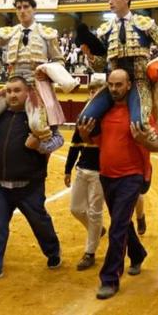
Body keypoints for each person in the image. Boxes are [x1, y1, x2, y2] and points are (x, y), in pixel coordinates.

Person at [76, 69, 158, 300]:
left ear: (129, 85)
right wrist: (84, 136)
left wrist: (145, 140)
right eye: (111, 85)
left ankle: (110, 279)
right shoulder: (104, 112)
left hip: (130, 176)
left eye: (119, 84)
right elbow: (95, 142)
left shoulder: (140, 112)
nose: (114, 89)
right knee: (120, 224)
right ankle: (138, 254)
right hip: (106, 175)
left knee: (116, 228)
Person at [0, 75, 64, 283]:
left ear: (27, 93)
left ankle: (53, 252)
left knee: (40, 223)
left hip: (29, 185)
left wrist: (40, 146)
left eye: (17, 90)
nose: (12, 95)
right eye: (9, 91)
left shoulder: (38, 116)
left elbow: (59, 139)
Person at [0, 0, 78, 141]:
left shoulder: (47, 34)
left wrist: (48, 73)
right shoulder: (9, 33)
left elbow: (59, 60)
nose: (22, 11)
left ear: (34, 9)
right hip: (12, 87)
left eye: (26, 7)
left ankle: (41, 151)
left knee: (38, 126)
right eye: (18, 8)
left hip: (35, 86)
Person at [80, 0, 158, 135]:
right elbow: (100, 66)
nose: (110, 2)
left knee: (139, 124)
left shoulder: (145, 24)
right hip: (113, 85)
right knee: (84, 119)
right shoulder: (105, 30)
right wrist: (91, 57)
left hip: (139, 82)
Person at [64, 81, 106, 271]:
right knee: (75, 209)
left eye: (97, 91)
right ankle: (96, 231)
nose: (93, 94)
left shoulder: (107, 117)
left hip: (100, 171)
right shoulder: (84, 117)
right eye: (91, 91)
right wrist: (67, 169)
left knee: (95, 212)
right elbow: (74, 146)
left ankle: (90, 252)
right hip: (83, 169)